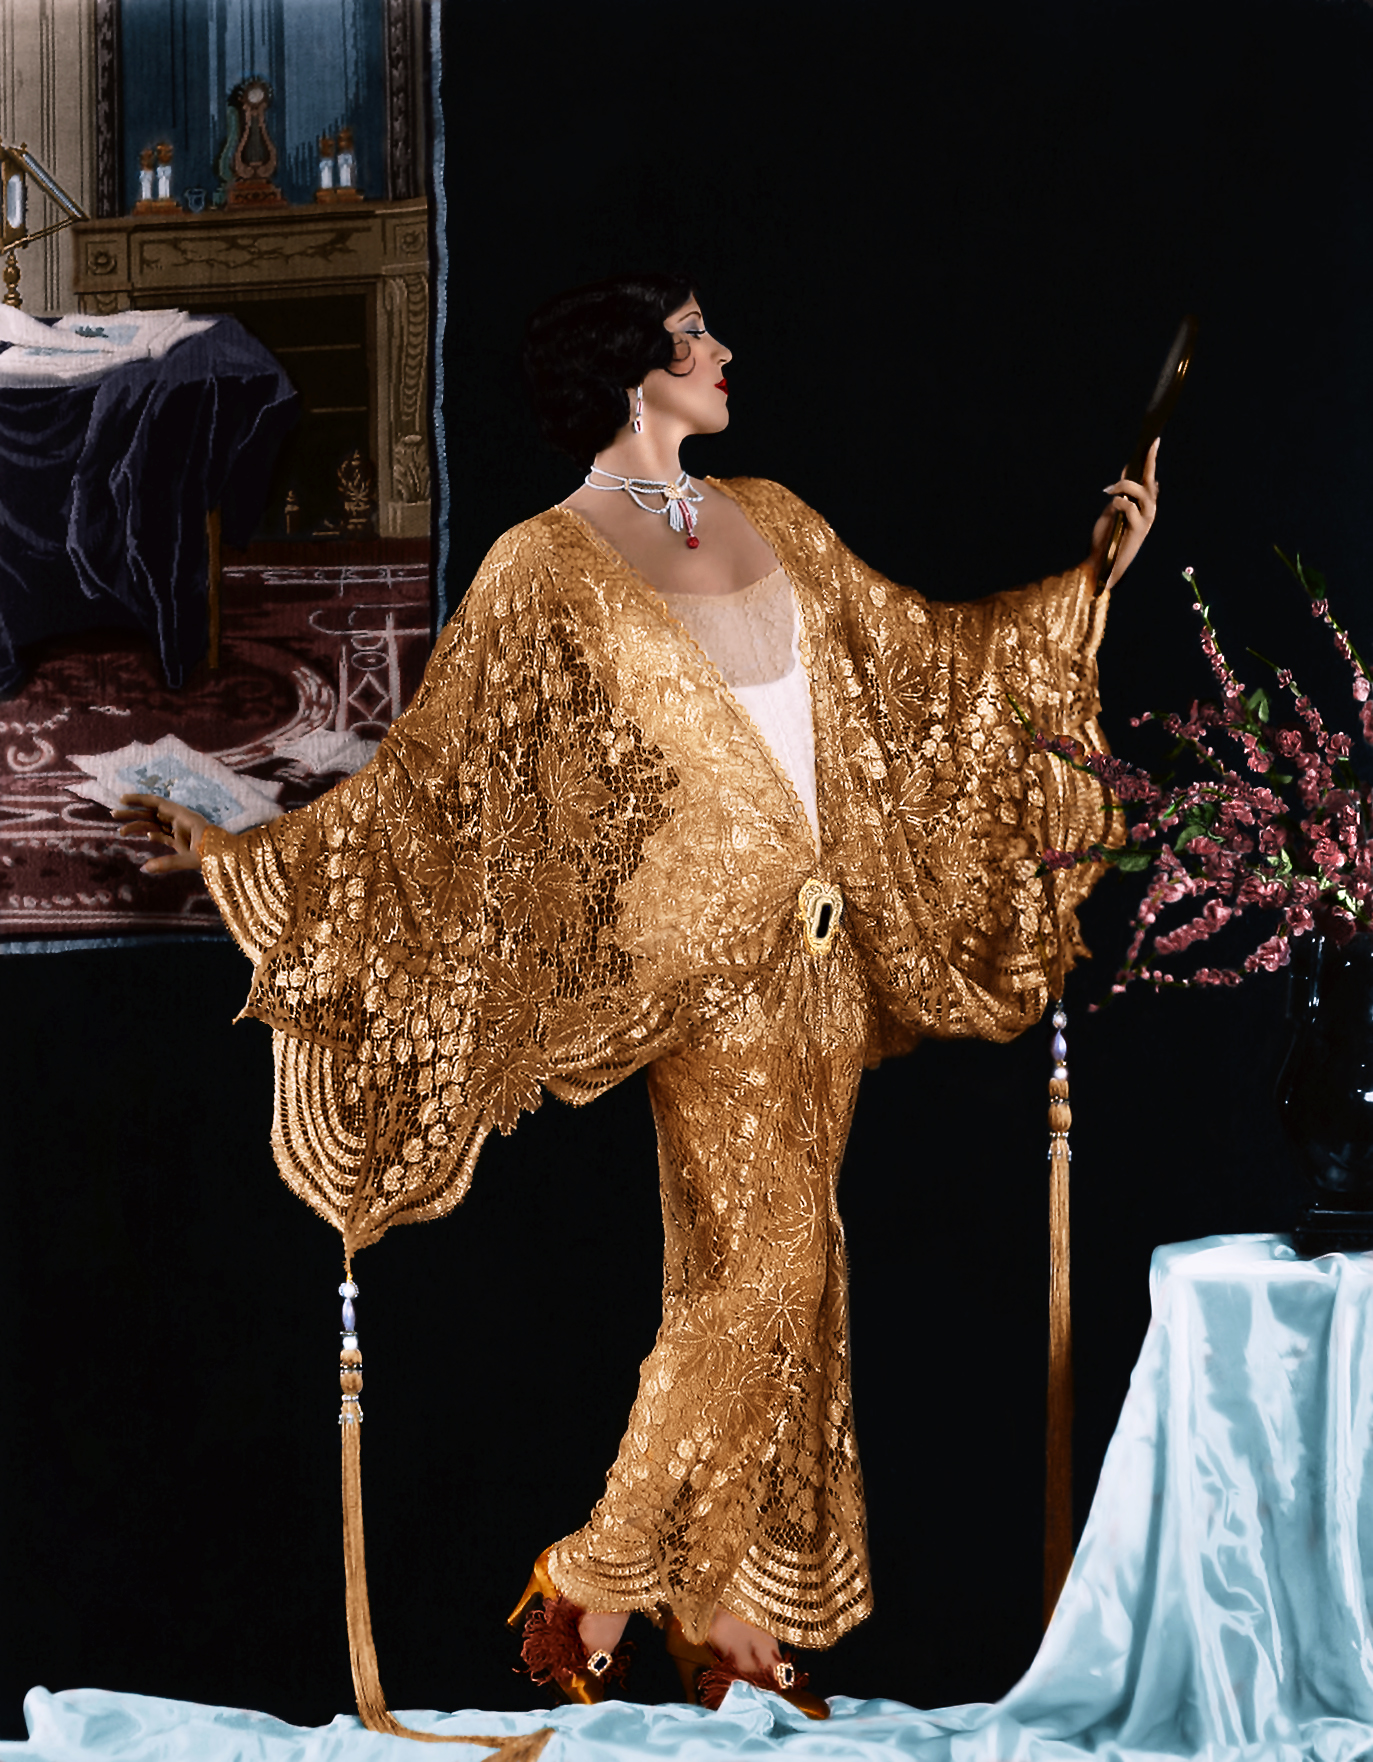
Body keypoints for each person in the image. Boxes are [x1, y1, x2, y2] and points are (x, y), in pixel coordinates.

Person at [115, 270, 1159, 1720]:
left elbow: (926, 664)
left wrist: (1086, 583)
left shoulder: (775, 515)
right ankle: (595, 1577)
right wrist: (246, 856)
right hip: (703, 974)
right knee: (768, 1268)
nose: (722, 350)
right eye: (692, 336)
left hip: (826, 960)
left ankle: (729, 1619)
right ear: (630, 374)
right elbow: (434, 782)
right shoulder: (544, 566)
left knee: (784, 1269)